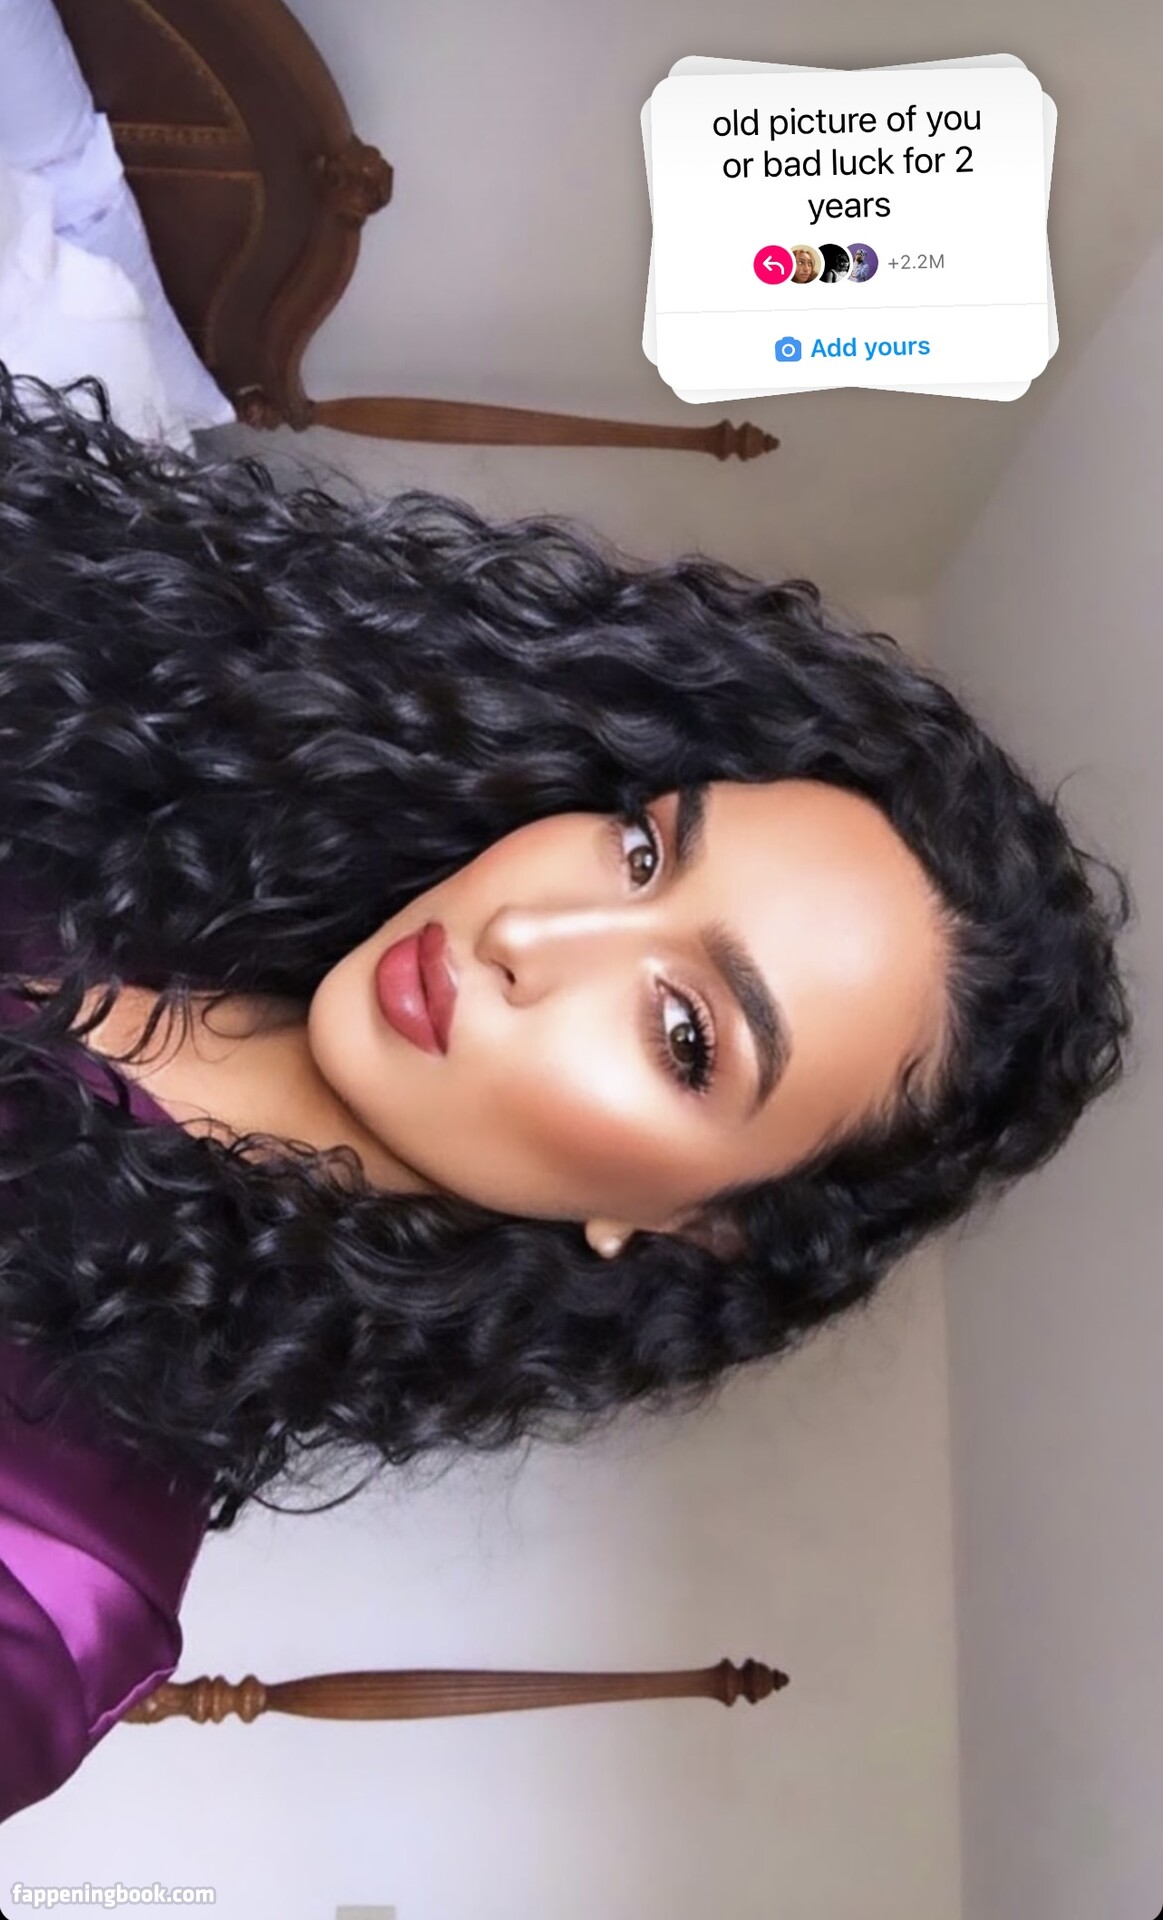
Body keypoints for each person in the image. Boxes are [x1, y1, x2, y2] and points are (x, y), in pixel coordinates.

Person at [0, 365, 1132, 1813]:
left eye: (685, 1035)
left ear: (687, 1227)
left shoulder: (53, 1575)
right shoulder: (103, 707)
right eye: (643, 851)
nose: (531, 935)